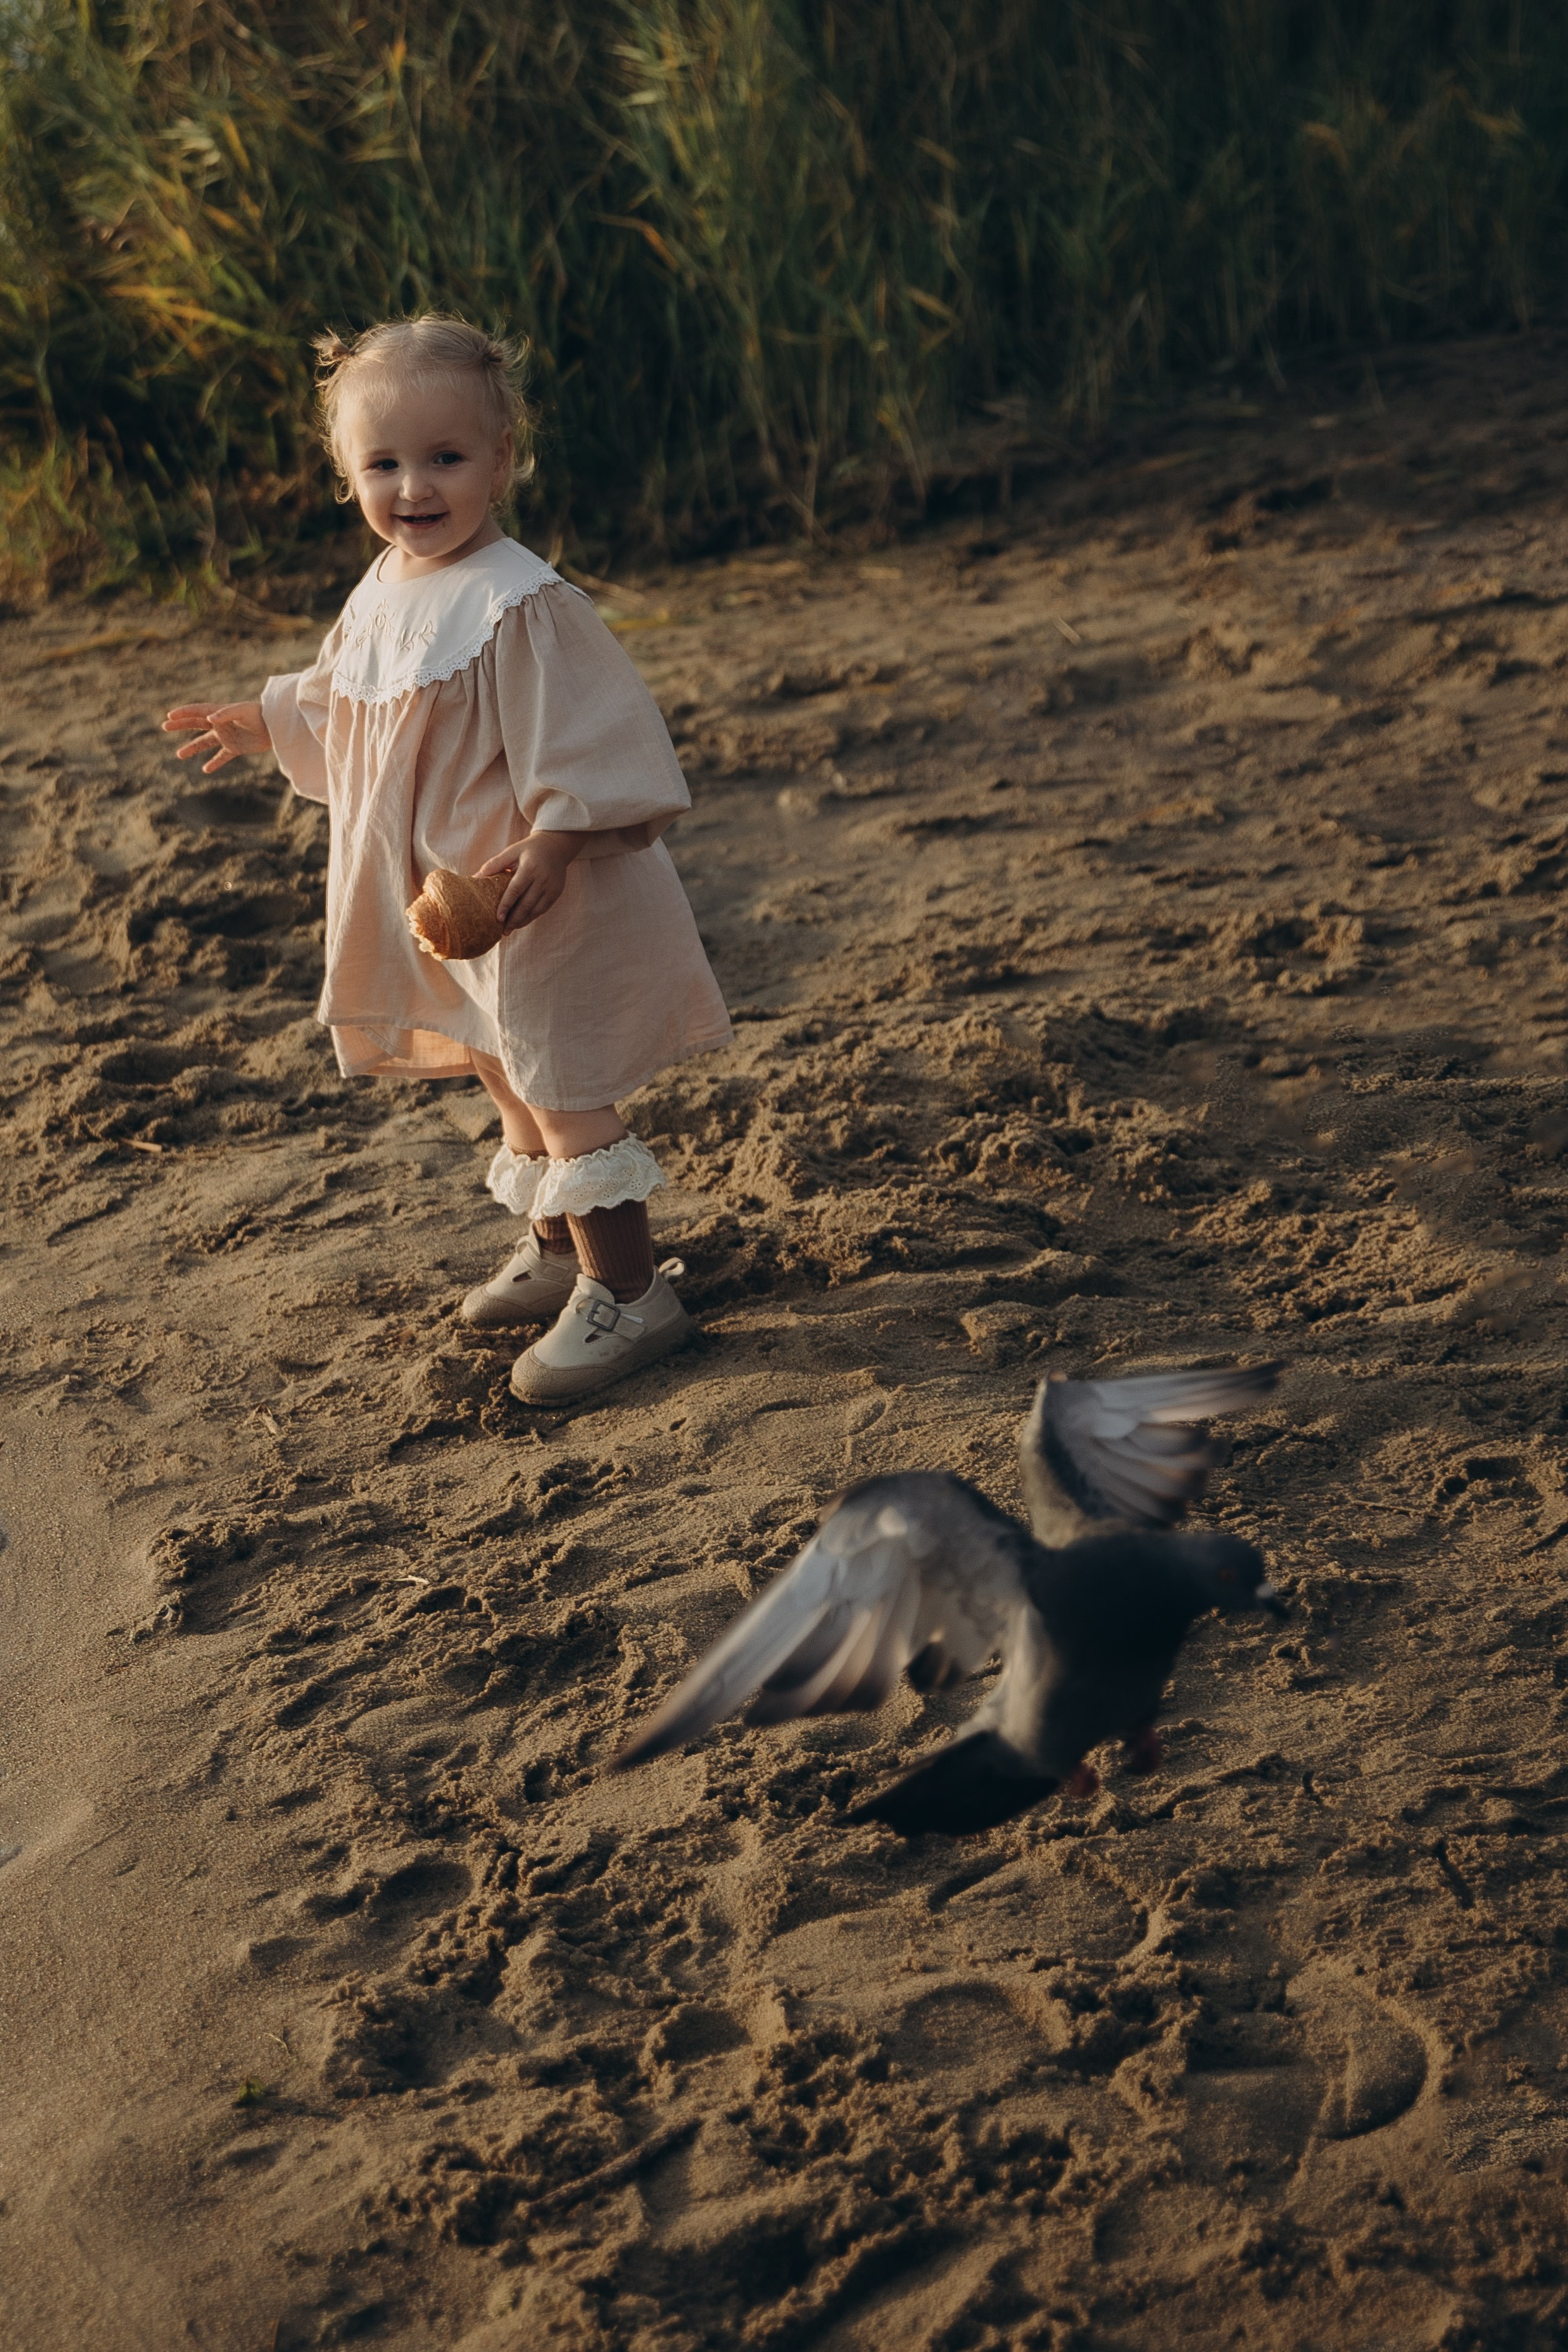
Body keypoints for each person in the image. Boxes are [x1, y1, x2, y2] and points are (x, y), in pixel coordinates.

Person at [162, 314, 731, 1402]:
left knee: (561, 1083)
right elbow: (348, 695)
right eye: (383, 464)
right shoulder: (385, 586)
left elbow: (591, 735)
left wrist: (557, 838)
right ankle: (558, 1247)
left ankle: (630, 1289)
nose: (413, 487)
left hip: (529, 890)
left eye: (445, 458)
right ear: (346, 472)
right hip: (444, 896)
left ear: (501, 460)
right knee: (496, 1063)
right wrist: (265, 719)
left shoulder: (521, 601)